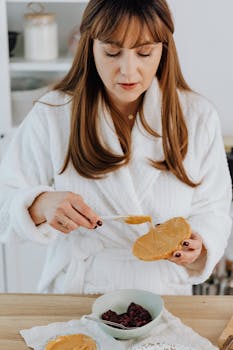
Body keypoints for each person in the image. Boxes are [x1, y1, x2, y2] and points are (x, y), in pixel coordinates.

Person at [0, 0, 232, 295]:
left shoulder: (197, 116)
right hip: (80, 292)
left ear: (163, 49)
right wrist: (40, 204)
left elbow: (214, 208)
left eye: (144, 52)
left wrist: (199, 245)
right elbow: (4, 202)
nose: (128, 70)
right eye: (112, 51)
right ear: (90, 45)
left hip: (164, 294)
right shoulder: (53, 113)